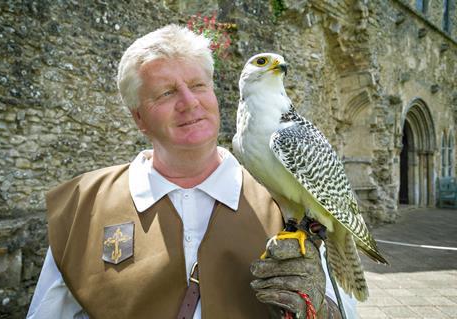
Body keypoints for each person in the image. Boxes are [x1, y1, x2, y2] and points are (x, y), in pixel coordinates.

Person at [27, 24, 356, 319]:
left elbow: (345, 313)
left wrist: (321, 311)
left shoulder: (286, 204)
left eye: (198, 85)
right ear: (139, 117)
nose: (189, 102)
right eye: (166, 93)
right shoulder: (81, 207)